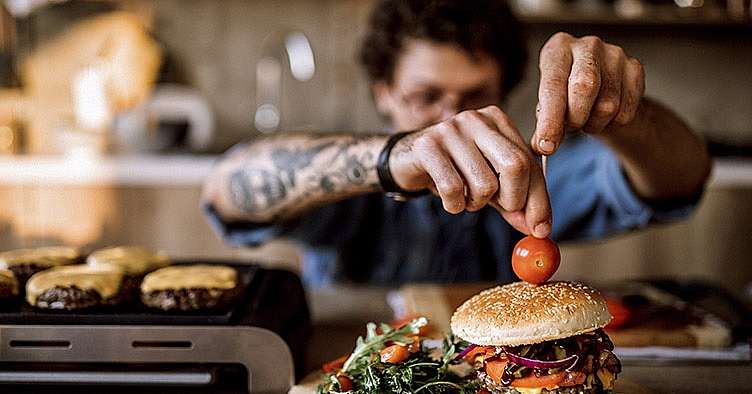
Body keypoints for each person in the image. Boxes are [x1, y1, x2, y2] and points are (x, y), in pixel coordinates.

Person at [202, 0, 711, 287]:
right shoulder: (349, 186)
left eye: (474, 96)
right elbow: (227, 188)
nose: (450, 121)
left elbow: (680, 181)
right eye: (425, 97)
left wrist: (623, 111)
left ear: (504, 93)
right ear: (384, 95)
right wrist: (391, 159)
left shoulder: (536, 169)